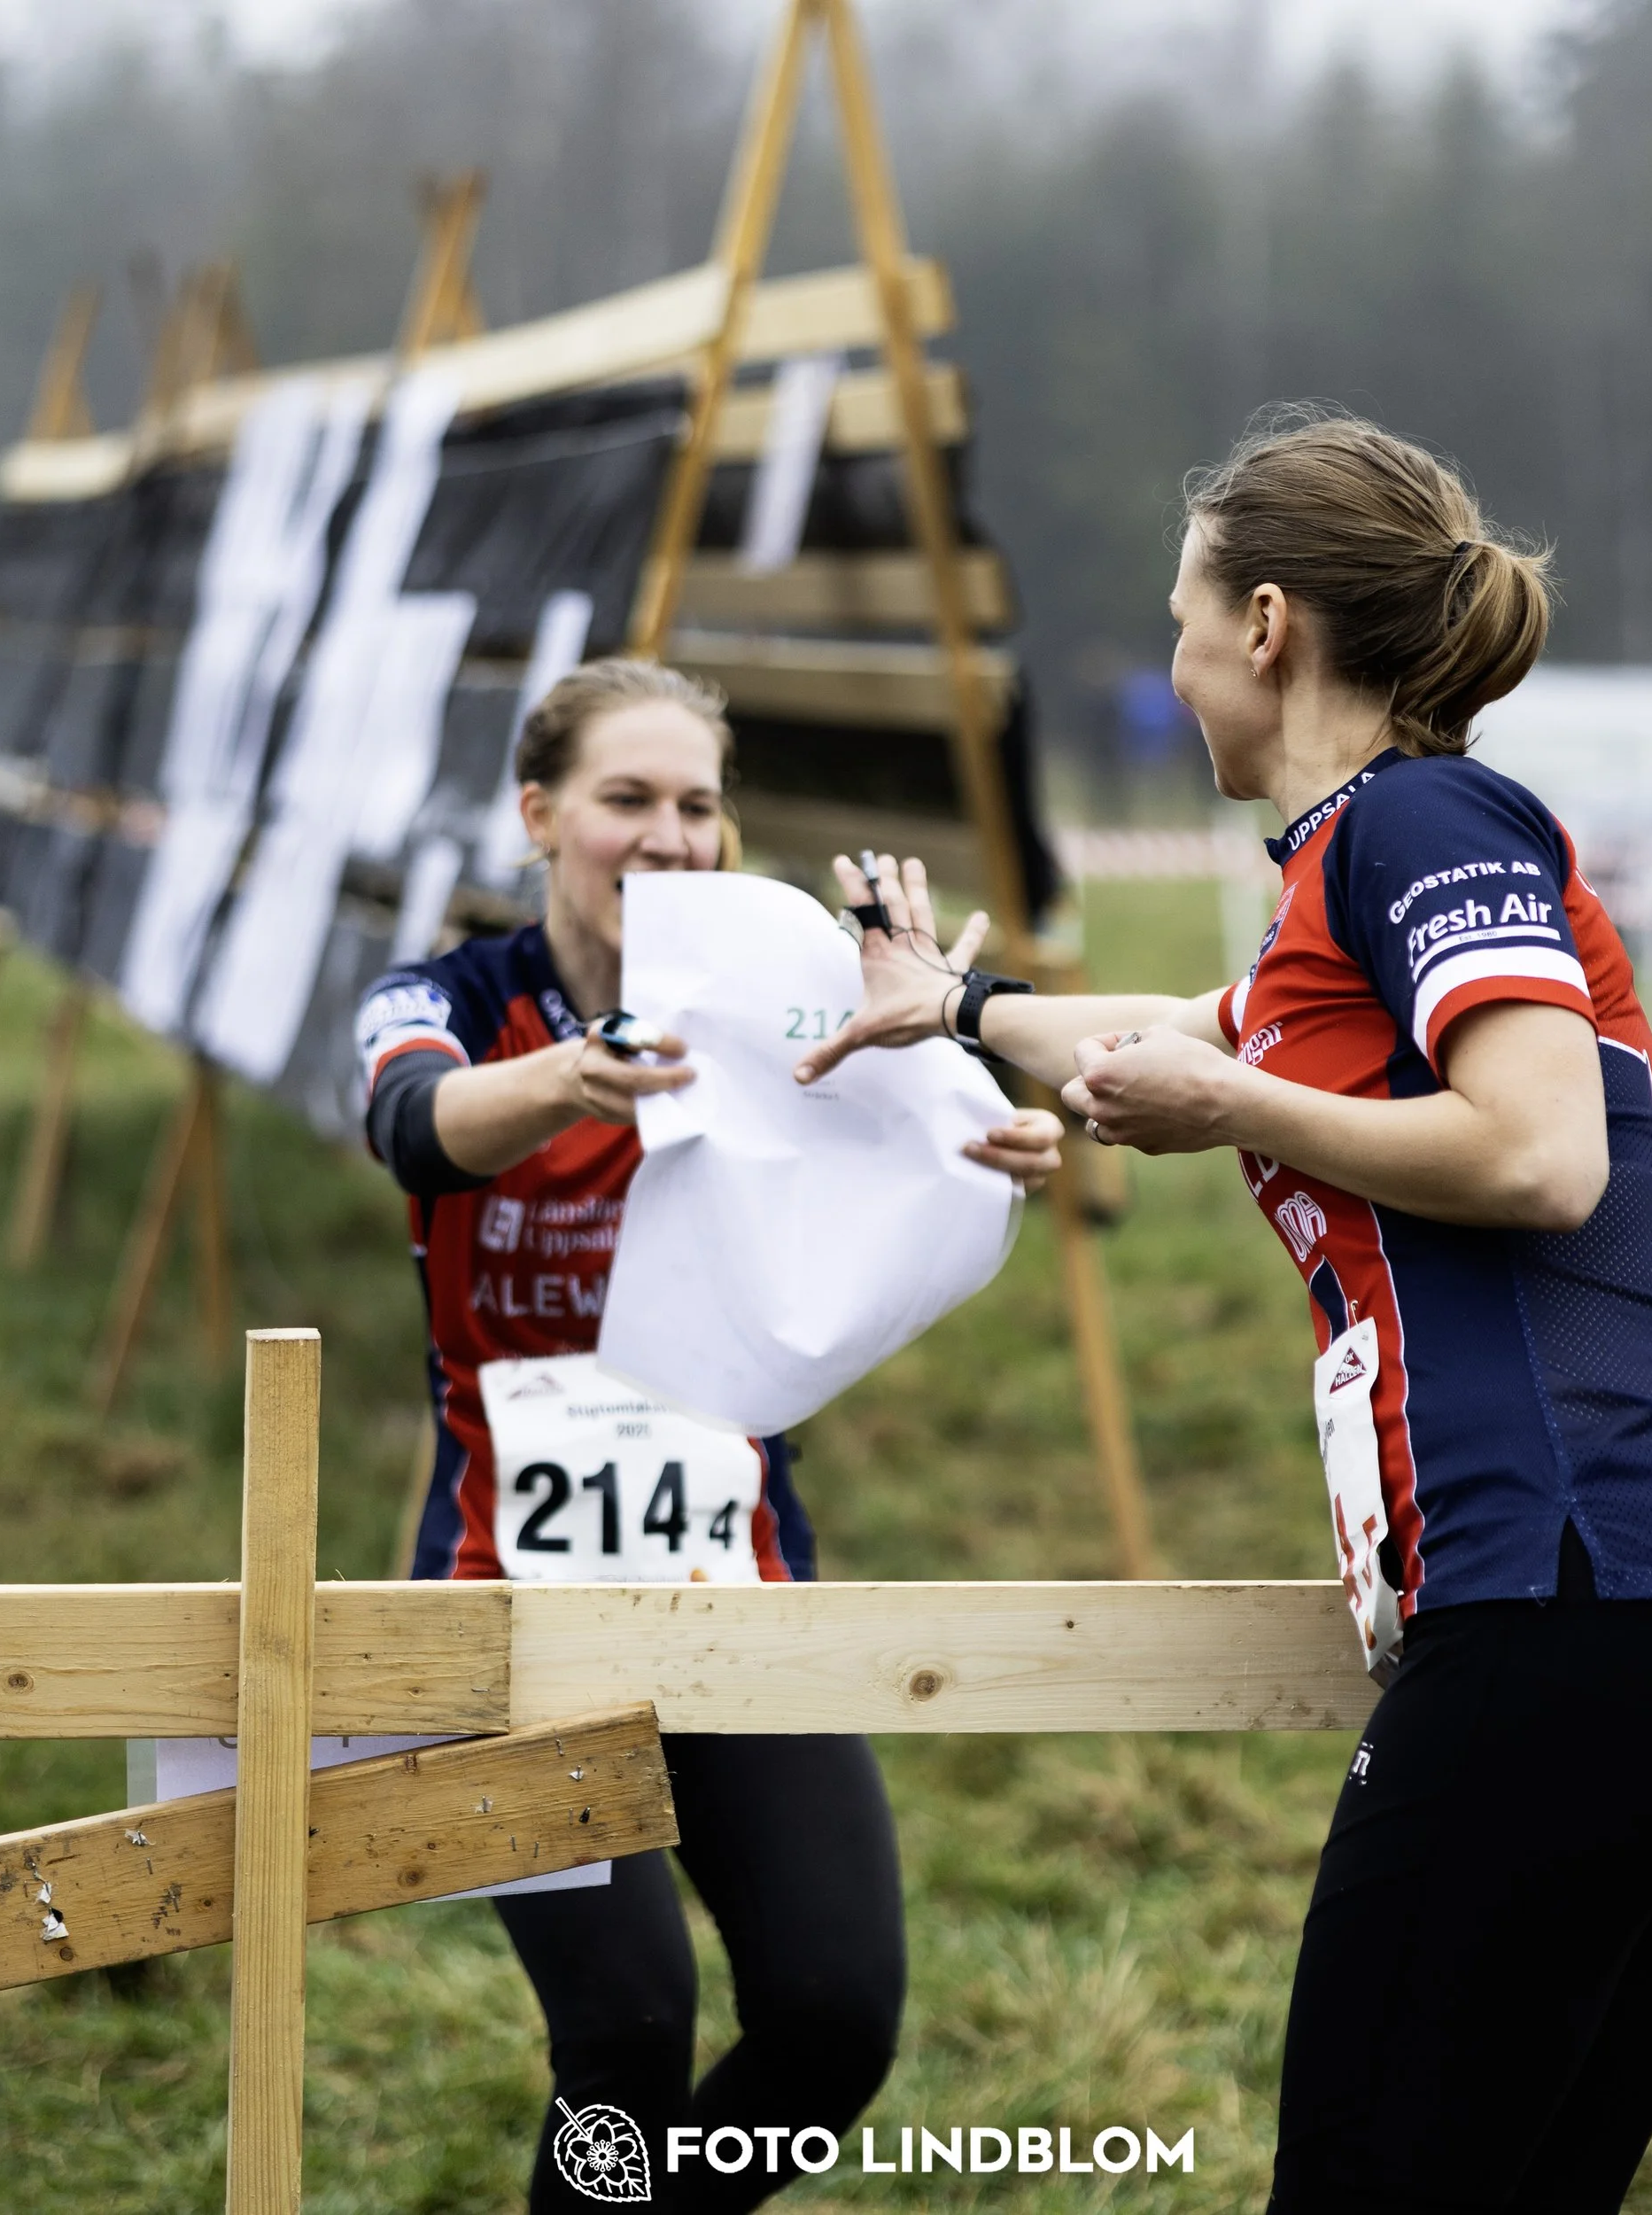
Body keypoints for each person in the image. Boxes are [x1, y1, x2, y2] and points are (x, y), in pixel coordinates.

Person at [796, 412, 1652, 2212]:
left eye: (1180, 614)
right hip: (1639, 1631)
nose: (1172, 658)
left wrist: (1238, 1114)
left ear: (1263, 624)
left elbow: (1534, 1154)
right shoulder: (1337, 882)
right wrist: (952, 1004)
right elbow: (1174, 1037)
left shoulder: (1421, 817)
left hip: (1563, 1613)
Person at [355, 657, 1062, 2213]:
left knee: (832, 2025)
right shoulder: (448, 996)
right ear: (540, 815)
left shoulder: (784, 994)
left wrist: (981, 1132)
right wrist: (566, 1078)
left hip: (732, 1589)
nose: (669, 837)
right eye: (626, 800)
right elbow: (414, 1126)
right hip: (502, 1608)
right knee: (625, 2029)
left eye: (697, 804)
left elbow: (914, 1156)